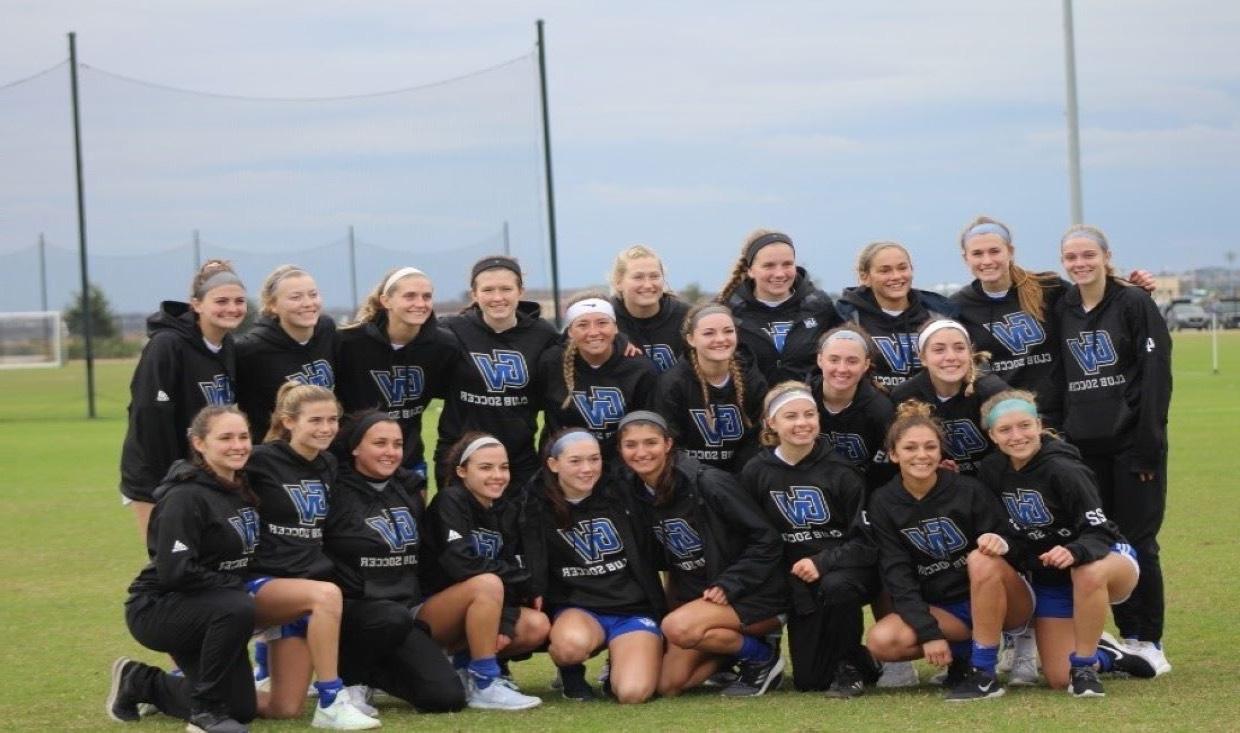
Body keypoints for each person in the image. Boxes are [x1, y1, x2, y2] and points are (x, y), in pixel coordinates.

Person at [978, 390, 1158, 696]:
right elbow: (1009, 531)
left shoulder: (1064, 469)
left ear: (1038, 424)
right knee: (1059, 678)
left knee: (1085, 571)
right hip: (1053, 578)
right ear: (992, 435)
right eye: (1005, 430)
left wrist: (1075, 550)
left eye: (1024, 425)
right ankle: (1108, 655)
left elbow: (1100, 530)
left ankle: (1086, 666)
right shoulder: (993, 471)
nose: (1017, 436)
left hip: (1104, 559)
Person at [1054, 224, 1173, 675]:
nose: (1080, 264)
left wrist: (1148, 447)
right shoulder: (1062, 306)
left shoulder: (1133, 302)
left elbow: (1156, 376)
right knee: (1103, 542)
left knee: (1140, 541)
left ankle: (1149, 639)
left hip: (1132, 447)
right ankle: (1124, 635)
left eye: (1088, 255)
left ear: (1106, 256)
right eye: (1071, 257)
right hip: (1083, 450)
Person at [864, 401, 1033, 702]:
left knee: (980, 558)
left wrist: (1000, 542)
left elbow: (1016, 542)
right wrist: (930, 634)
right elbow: (897, 574)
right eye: (910, 448)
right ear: (893, 454)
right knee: (882, 641)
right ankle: (966, 654)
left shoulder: (967, 489)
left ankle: (983, 674)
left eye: (930, 447)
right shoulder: (883, 502)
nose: (921, 455)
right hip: (945, 610)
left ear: (941, 452)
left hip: (1000, 599)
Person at [108, 406, 259, 733]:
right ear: (199, 444)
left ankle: (141, 682)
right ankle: (204, 714)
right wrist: (232, 586)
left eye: (244, 436)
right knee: (238, 606)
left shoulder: (240, 488)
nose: (238, 445)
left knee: (242, 708)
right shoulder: (185, 496)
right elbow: (176, 572)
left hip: (211, 607)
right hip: (159, 607)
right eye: (225, 438)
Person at [616, 411, 786, 698]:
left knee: (677, 627)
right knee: (668, 684)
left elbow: (767, 539)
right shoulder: (635, 493)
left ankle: (761, 655)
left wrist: (730, 583)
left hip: (752, 593)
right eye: (631, 445)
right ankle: (731, 653)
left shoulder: (707, 482)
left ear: (668, 444)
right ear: (620, 450)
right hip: (700, 599)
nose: (641, 452)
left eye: (651, 443)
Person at [246, 383, 379, 729]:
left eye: (332, 419)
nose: (326, 428)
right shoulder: (260, 459)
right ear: (289, 422)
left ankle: (169, 687)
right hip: (261, 582)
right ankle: (332, 699)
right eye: (315, 420)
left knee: (285, 708)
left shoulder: (328, 463)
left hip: (304, 588)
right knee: (326, 596)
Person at [322, 410, 467, 714]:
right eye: (380, 443)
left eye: (397, 444)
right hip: (351, 611)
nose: (390, 452)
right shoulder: (333, 489)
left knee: (445, 698)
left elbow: (426, 554)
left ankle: (373, 671)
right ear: (355, 447)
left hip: (401, 613)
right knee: (388, 616)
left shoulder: (409, 489)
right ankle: (350, 682)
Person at [951, 216, 1157, 429]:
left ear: (1010, 251)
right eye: (977, 253)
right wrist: (1006, 398)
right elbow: (969, 365)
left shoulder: (1049, 288)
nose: (987, 260)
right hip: (1007, 421)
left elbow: (1095, 305)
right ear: (966, 258)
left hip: (1063, 416)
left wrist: (1131, 288)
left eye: (994, 251)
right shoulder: (957, 307)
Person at [740, 384, 879, 697]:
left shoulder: (842, 471)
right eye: (791, 416)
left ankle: (849, 667)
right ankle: (865, 661)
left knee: (837, 585)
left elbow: (866, 542)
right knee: (809, 681)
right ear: (771, 423)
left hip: (846, 571)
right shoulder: (756, 471)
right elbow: (753, 534)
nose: (802, 423)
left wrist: (822, 562)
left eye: (809, 414)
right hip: (796, 580)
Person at [521, 429, 666, 703]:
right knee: (569, 647)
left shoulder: (623, 494)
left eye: (594, 459)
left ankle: (620, 662)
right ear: (554, 464)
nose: (587, 469)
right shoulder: (535, 506)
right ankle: (571, 675)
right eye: (575, 461)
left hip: (632, 610)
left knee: (632, 693)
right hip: (580, 609)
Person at [419, 432, 550, 709]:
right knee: (486, 582)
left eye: (503, 467)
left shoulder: (502, 509)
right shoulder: (449, 501)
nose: (498, 475)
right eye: (486, 467)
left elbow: (509, 569)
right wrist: (526, 582)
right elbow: (461, 564)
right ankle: (485, 683)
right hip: (429, 613)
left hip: (478, 606)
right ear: (462, 471)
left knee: (536, 626)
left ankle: (464, 666)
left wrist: (504, 620)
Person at [119, 260, 247, 539]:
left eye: (239, 301)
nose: (232, 308)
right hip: (157, 475)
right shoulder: (167, 344)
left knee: (201, 562)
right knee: (168, 565)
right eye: (221, 301)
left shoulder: (226, 346)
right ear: (196, 304)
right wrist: (170, 480)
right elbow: (149, 417)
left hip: (200, 475)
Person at [435, 255, 559, 490]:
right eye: (488, 290)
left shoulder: (543, 334)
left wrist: (621, 341)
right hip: (460, 457)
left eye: (506, 289)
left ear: (520, 291)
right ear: (474, 294)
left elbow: (581, 347)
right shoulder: (451, 330)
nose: (497, 297)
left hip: (518, 461)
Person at [335, 267, 455, 482]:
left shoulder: (443, 346)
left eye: (426, 296)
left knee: (413, 515)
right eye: (409, 296)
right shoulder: (348, 343)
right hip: (351, 461)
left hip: (409, 459)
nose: (420, 303)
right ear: (386, 300)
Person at [538, 293, 658, 462]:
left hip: (622, 467)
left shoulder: (640, 368)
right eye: (582, 325)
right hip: (568, 464)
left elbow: (647, 427)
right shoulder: (551, 363)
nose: (593, 332)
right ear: (570, 332)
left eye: (602, 323)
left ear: (616, 327)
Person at [716, 229, 842, 384]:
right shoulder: (727, 311)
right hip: (750, 405)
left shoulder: (820, 307)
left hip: (806, 405)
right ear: (750, 270)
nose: (780, 274)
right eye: (769, 266)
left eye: (787, 264)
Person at [655, 303, 766, 472]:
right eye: (709, 333)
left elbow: (758, 440)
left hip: (740, 478)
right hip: (689, 478)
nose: (721, 339)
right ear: (691, 339)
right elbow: (670, 444)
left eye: (728, 331)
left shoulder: (752, 380)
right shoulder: (673, 383)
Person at [889, 320, 1007, 476]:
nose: (951, 357)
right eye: (939, 350)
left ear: (970, 353)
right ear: (923, 357)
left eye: (959, 348)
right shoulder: (905, 395)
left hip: (990, 481)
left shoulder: (992, 391)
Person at [236, 264, 339, 441]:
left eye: (313, 295)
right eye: (296, 297)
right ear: (272, 305)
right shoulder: (251, 349)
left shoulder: (326, 330)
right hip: (276, 456)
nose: (308, 303)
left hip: (324, 447)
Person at [836, 241, 959, 389]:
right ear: (865, 277)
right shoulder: (848, 317)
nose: (896, 276)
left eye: (902, 268)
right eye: (885, 271)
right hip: (874, 406)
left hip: (929, 405)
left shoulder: (938, 313)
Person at [810, 326, 896, 491]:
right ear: (820, 360)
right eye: (834, 359)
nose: (842, 369)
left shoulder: (881, 410)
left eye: (852, 361)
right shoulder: (802, 400)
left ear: (866, 364)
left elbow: (883, 472)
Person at [609, 244, 693, 373]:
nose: (648, 285)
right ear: (618, 282)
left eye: (654, 276)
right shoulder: (604, 319)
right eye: (638, 277)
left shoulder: (686, 317)